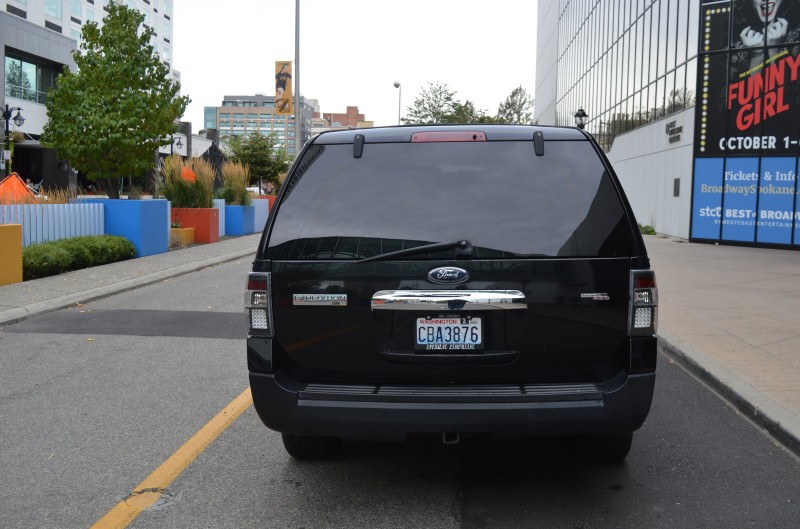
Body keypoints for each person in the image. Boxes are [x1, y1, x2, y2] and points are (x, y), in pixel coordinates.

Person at [731, 0, 800, 75]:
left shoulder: (797, 38)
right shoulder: (732, 45)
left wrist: (773, 49)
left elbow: (789, 85)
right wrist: (757, 56)